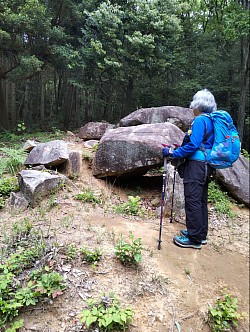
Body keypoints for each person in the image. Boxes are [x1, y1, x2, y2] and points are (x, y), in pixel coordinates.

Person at [162, 88, 216, 249]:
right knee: (200, 201)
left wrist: (173, 152)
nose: (191, 107)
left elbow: (193, 145)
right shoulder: (211, 121)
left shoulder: (200, 120)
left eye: (193, 104)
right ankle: (200, 234)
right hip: (206, 166)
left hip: (196, 167)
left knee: (192, 201)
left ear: (198, 104)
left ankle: (194, 240)